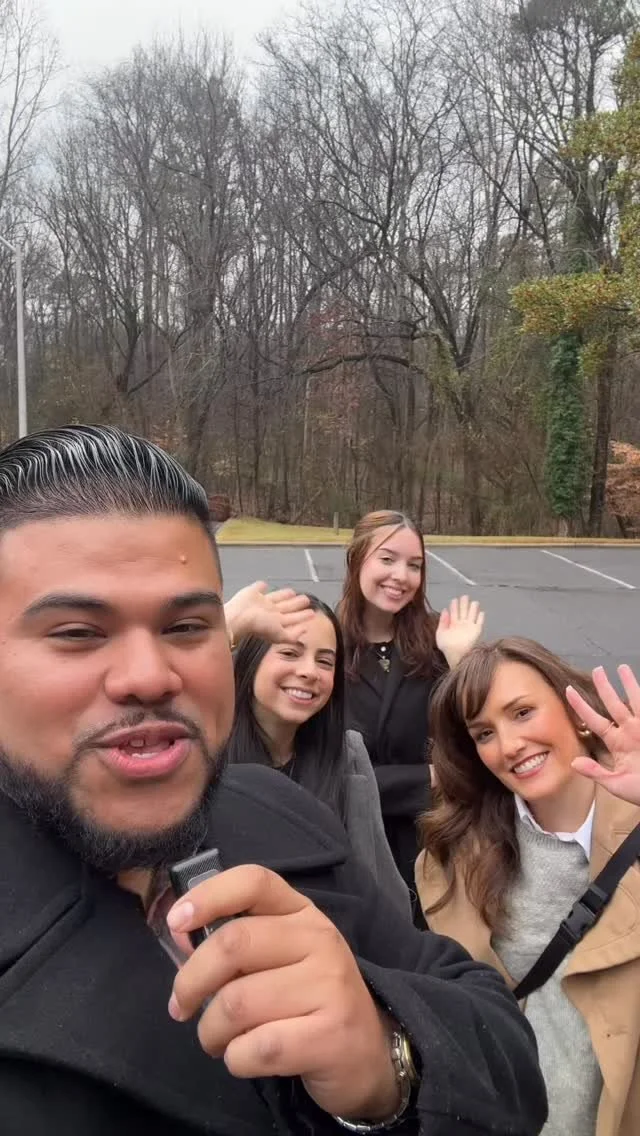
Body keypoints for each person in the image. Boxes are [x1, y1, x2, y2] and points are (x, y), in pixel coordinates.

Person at [0, 426, 547, 1136]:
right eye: (78, 632)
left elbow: (505, 1051)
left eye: (186, 626)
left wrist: (388, 1057)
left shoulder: (275, 812)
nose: (150, 676)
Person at [415, 638, 640, 1136]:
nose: (510, 745)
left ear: (574, 710)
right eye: (484, 733)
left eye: (522, 713)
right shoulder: (456, 862)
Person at [223, 594, 410, 914]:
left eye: (325, 661)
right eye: (290, 653)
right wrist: (224, 628)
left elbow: (381, 881)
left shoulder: (348, 754)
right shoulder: (205, 758)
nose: (309, 671)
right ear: (250, 659)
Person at [338, 509, 484, 900]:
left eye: (414, 565)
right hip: (356, 849)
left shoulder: (441, 640)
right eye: (387, 559)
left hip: (436, 844)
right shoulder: (327, 646)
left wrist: (461, 663)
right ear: (356, 560)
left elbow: (480, 737)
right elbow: (325, 769)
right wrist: (429, 778)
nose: (401, 576)